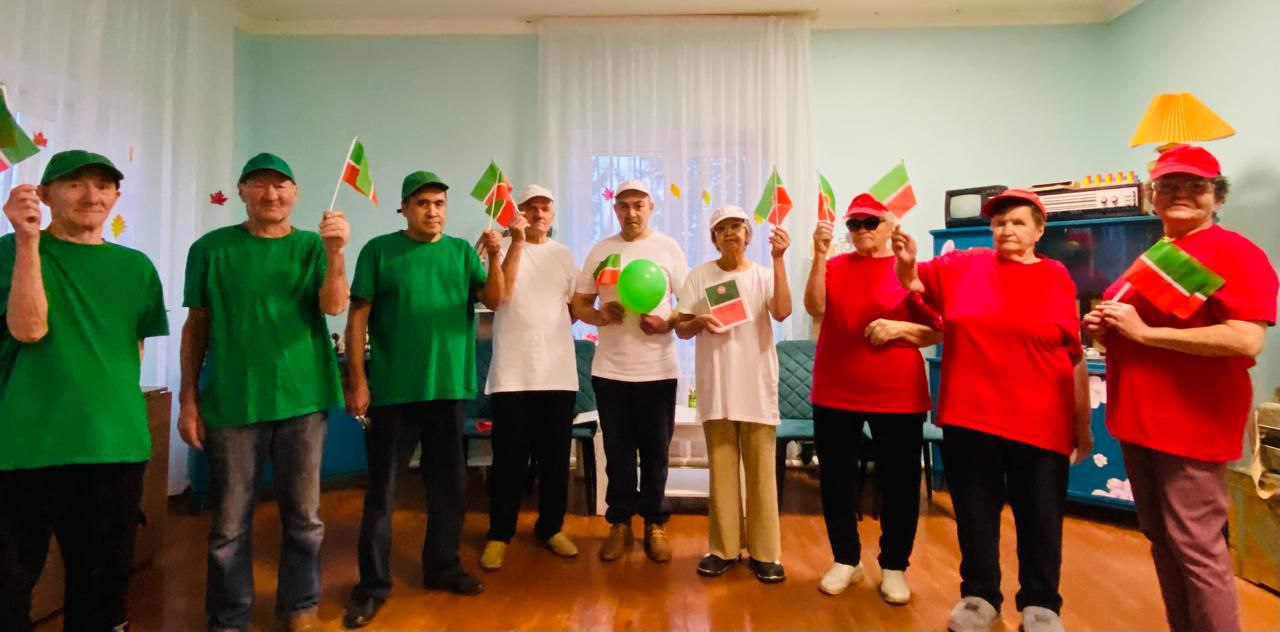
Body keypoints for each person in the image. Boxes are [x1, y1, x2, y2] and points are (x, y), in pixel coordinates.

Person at [1085, 145, 1278, 632]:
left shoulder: (1235, 252)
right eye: (1169, 186)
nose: (1181, 195)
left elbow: (1245, 338)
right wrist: (1106, 328)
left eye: (1196, 186)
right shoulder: (1160, 254)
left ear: (1218, 197)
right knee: (1163, 540)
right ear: (1153, 197)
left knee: (1196, 547)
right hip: (1137, 419)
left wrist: (1145, 334)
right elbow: (1133, 330)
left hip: (1190, 423)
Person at [893, 189, 1092, 632]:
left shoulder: (1057, 276)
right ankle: (979, 596)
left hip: (1041, 421)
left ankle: (1041, 604)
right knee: (975, 514)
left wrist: (1083, 424)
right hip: (971, 417)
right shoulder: (963, 265)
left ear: (1039, 230)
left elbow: (1073, 354)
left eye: (1018, 222)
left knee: (1040, 518)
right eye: (1000, 222)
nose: (1007, 230)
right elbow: (913, 283)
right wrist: (905, 262)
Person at [179, 153, 350, 632]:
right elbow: (196, 326)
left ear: (295, 194)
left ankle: (300, 606)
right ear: (241, 191)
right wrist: (188, 398)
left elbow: (334, 306)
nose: (270, 194)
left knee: (305, 518)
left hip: (303, 400)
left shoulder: (314, 246)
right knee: (229, 526)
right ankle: (229, 617)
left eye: (280, 186)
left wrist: (336, 253)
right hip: (233, 403)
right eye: (259, 184)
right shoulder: (210, 249)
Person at [0, 150, 168, 632]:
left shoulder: (136, 267)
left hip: (114, 447)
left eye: (104, 185)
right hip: (27, 445)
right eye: (75, 184)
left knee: (102, 589)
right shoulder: (10, 252)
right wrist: (27, 241)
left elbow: (132, 351)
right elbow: (29, 328)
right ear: (45, 194)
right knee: (9, 585)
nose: (91, 195)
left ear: (116, 196)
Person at [342, 171, 504, 629]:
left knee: (448, 487)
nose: (433, 211)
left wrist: (495, 255)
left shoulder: (460, 252)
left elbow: (495, 299)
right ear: (404, 209)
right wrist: (357, 380)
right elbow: (357, 318)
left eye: (439, 203)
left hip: (448, 390)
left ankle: (442, 568)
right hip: (393, 391)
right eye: (423, 203)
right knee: (383, 491)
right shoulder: (379, 251)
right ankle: (372, 585)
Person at [803, 193, 941, 602]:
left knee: (899, 483)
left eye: (870, 222)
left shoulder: (909, 268)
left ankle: (895, 566)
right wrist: (818, 255)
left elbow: (937, 330)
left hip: (897, 393)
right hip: (836, 389)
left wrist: (899, 329)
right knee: (836, 480)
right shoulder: (834, 266)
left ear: (889, 225)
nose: (861, 230)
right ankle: (846, 559)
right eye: (854, 223)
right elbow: (815, 308)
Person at [570, 179, 687, 563]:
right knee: (617, 453)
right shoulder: (601, 251)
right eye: (624, 206)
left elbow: (687, 303)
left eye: (639, 205)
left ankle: (655, 523)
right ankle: (619, 523)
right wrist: (599, 315)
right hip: (611, 371)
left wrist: (667, 322)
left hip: (658, 370)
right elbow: (579, 304)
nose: (631, 212)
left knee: (656, 452)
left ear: (651, 207)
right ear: (615, 209)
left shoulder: (668, 248)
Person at [674, 204, 792, 583]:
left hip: (755, 385)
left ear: (747, 234)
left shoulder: (763, 275)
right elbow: (681, 329)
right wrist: (698, 320)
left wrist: (779, 259)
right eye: (722, 228)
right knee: (722, 472)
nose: (730, 233)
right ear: (713, 237)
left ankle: (765, 553)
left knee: (761, 474)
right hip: (718, 386)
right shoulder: (699, 276)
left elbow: (783, 311)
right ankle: (723, 549)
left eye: (737, 226)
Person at [480, 184, 581, 571]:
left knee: (556, 461)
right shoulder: (499, 248)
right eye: (531, 208)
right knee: (508, 460)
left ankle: (551, 528)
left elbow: (574, 308)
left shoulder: (564, 255)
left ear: (553, 214)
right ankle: (499, 534)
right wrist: (516, 243)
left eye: (545, 208)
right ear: (517, 211)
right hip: (512, 373)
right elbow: (498, 297)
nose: (539, 214)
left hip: (557, 373)